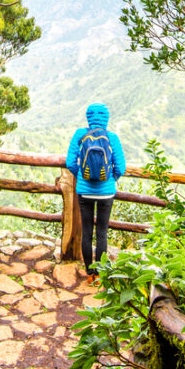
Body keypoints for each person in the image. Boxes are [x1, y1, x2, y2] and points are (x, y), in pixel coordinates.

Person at [65, 102, 126, 278]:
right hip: (106, 193)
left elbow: (70, 163)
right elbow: (120, 167)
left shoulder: (80, 134)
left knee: (86, 232)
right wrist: (111, 179)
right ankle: (99, 274)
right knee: (101, 233)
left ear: (88, 117)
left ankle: (89, 272)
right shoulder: (112, 137)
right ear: (106, 118)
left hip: (84, 192)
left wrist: (82, 177)